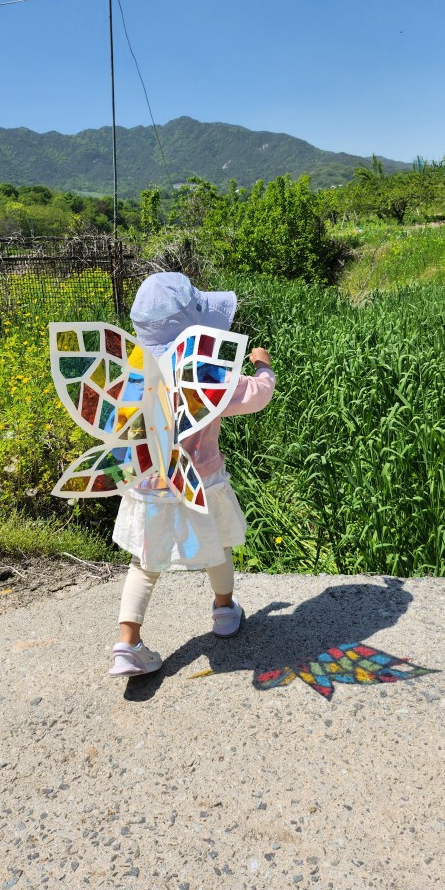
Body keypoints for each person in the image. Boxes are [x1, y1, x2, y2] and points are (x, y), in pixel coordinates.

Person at [109, 271, 275, 677]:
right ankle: (223, 612)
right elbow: (258, 395)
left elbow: (117, 426)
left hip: (147, 481)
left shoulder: (132, 369)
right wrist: (264, 366)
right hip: (201, 479)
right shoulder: (204, 372)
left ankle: (127, 646)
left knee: (143, 563)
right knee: (217, 547)